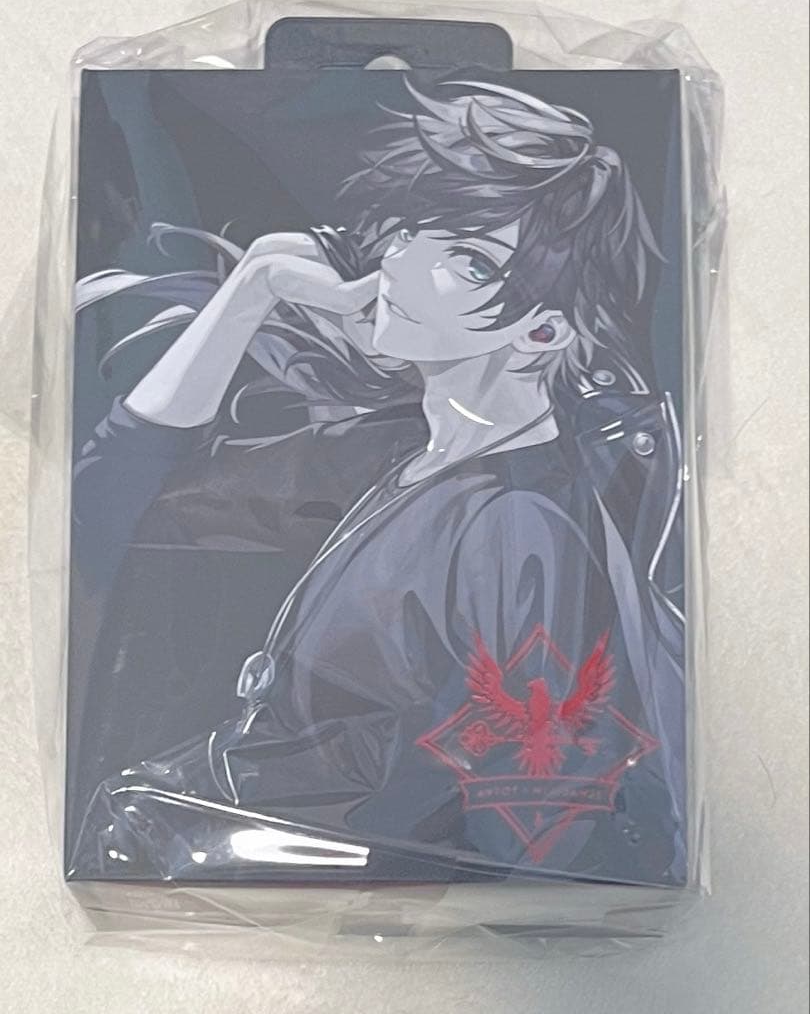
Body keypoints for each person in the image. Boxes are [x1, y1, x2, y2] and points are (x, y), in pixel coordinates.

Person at [69, 81, 686, 885]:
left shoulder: (517, 523)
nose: (405, 263)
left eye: (468, 260)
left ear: (542, 331)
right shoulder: (417, 455)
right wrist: (252, 287)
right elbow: (105, 508)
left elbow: (537, 840)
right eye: (420, 231)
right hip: (222, 849)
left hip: (304, 887)